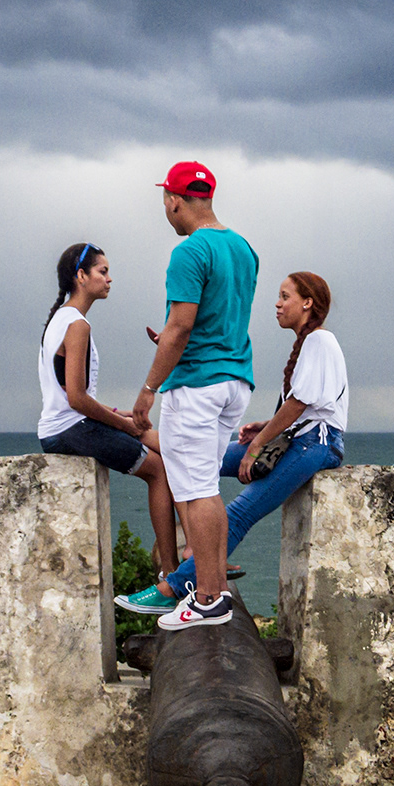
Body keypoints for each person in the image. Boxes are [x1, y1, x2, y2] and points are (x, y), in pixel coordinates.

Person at [117, 271, 347, 612]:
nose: (278, 303)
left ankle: (173, 588)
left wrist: (256, 447)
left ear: (307, 303)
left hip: (315, 444)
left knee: (238, 512)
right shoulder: (310, 342)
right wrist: (265, 426)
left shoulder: (319, 341)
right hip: (297, 438)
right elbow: (309, 404)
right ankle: (128, 427)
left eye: (285, 296)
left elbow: (301, 405)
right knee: (200, 455)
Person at [128, 162, 259, 630]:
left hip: (197, 383)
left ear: (173, 200)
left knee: (197, 489)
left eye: (166, 199)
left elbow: (182, 325)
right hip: (234, 380)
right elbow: (212, 320)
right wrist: (167, 339)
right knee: (206, 484)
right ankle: (215, 587)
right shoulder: (243, 248)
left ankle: (206, 600)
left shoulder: (189, 251)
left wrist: (148, 390)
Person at [38, 242, 179, 570]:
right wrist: (122, 424)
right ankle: (171, 571)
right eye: (103, 272)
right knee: (159, 470)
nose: (109, 279)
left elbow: (66, 392)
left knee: (164, 447)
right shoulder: (77, 325)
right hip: (70, 430)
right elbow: (76, 399)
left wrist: (116, 415)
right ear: (82, 276)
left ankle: (183, 560)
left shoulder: (61, 319)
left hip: (66, 426)